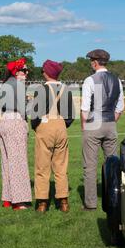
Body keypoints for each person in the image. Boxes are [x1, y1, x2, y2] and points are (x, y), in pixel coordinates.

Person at [81, 49, 124, 210]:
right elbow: (120, 107)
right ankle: (115, 201)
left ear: (95, 62)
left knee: (90, 166)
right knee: (112, 166)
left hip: (93, 123)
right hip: (110, 123)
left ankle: (90, 203)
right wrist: (111, 121)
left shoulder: (89, 80)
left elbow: (85, 108)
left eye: (91, 61)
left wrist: (85, 127)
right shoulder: (117, 80)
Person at [30, 60, 75, 213]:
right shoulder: (66, 90)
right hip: (61, 127)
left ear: (46, 73)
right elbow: (70, 116)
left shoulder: (40, 90)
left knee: (42, 167)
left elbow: (35, 115)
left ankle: (42, 203)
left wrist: (36, 126)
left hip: (45, 127)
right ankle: (63, 202)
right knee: (61, 167)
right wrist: (62, 125)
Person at [0, 58, 32, 210]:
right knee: (18, 162)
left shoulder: (5, 84)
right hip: (15, 122)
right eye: (24, 70)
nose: (27, 73)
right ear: (17, 72)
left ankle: (7, 198)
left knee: (7, 162)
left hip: (4, 122)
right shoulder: (18, 85)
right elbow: (25, 110)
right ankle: (19, 201)